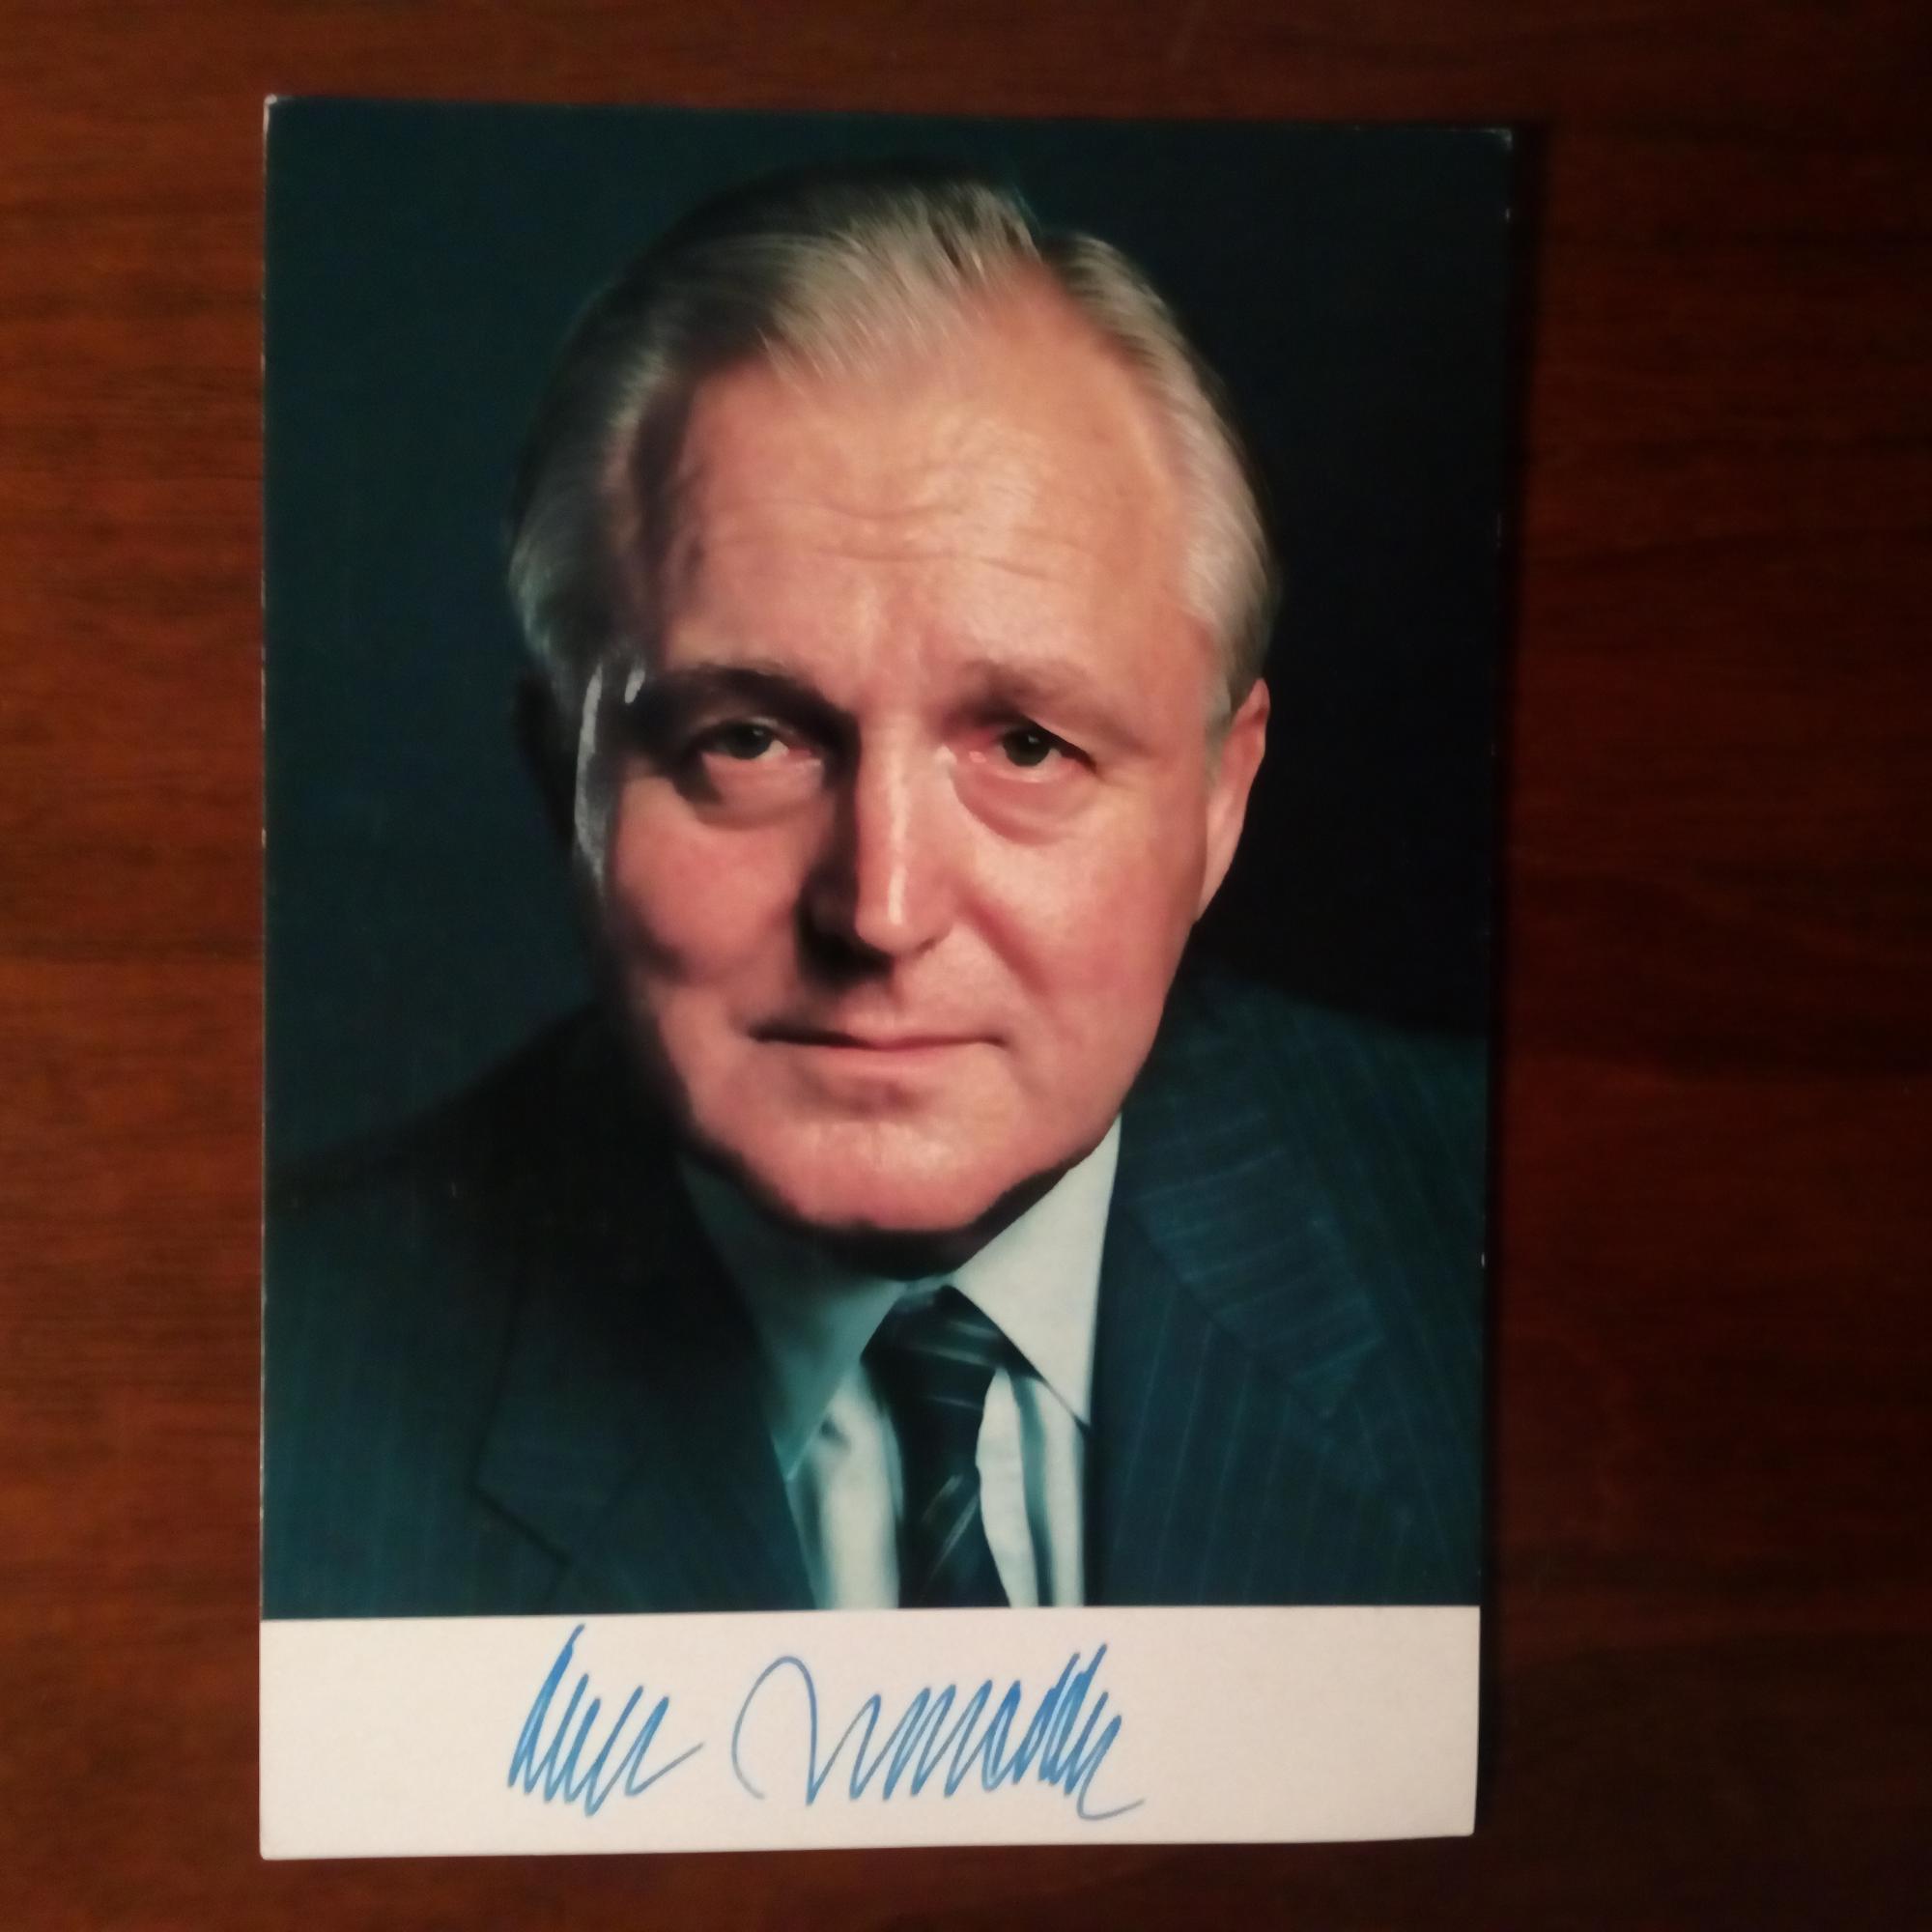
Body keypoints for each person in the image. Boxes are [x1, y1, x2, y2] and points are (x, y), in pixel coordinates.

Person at [263, 164, 1485, 1618]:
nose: (883, 912)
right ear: (563, 786)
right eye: (748, 741)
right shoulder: (280, 1380)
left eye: (1026, 745)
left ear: (1223, 798)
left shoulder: (1508, 1253)